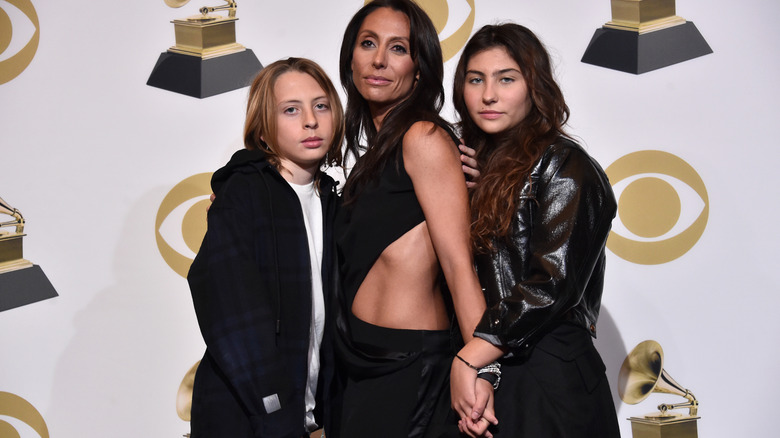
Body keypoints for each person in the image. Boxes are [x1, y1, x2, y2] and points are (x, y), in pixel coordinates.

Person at [449, 23, 622, 437]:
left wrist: (472, 357)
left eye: (506, 79)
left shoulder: (565, 166)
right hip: (495, 368)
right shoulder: (469, 171)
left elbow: (551, 283)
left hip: (547, 371)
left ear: (534, 87)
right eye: (476, 79)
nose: (488, 94)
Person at [330, 1, 493, 437]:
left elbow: (459, 267)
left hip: (410, 367)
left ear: (419, 69)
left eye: (398, 48)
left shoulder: (423, 137)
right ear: (351, 58)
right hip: (361, 364)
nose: (379, 59)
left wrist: (480, 367)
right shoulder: (370, 160)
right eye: (368, 44)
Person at [186, 57, 344, 438]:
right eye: (291, 110)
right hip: (248, 417)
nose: (310, 120)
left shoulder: (336, 203)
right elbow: (229, 310)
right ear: (263, 128)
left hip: (310, 419)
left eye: (320, 105)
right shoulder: (244, 193)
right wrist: (273, 406)